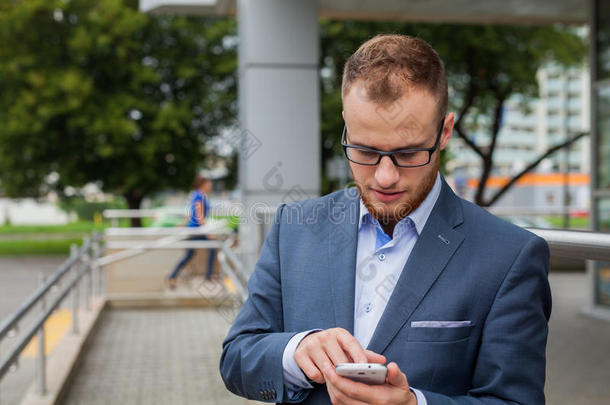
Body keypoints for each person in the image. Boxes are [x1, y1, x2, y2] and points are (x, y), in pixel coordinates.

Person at [220, 34, 551, 404]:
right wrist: (296, 351)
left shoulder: (510, 256)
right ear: (346, 124)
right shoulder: (293, 227)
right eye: (365, 150)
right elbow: (237, 356)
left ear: (444, 131)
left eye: (408, 153)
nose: (385, 177)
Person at [167, 174, 215, 289]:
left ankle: (172, 276)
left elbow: (191, 214)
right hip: (196, 230)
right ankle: (207, 276)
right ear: (203, 184)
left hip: (195, 229)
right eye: (209, 184)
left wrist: (182, 224)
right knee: (210, 248)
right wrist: (208, 232)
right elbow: (199, 216)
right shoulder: (199, 196)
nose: (210, 186)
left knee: (190, 255)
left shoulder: (197, 195)